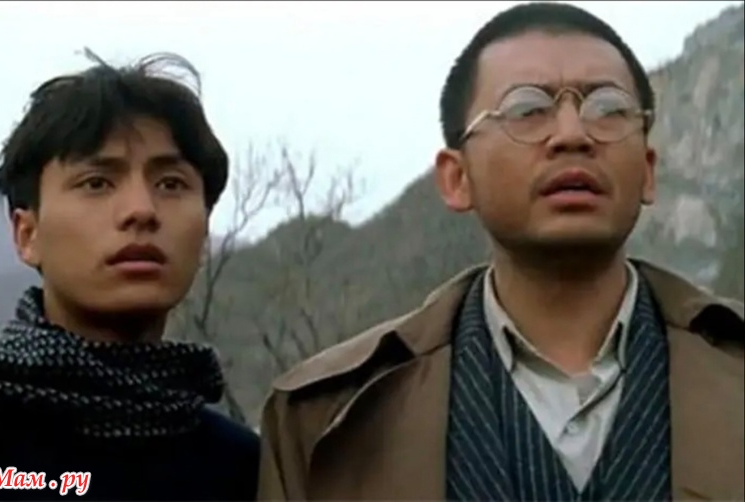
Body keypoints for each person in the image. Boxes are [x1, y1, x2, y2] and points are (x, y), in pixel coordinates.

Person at [257, 3, 744, 501]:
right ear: (457, 178)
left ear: (648, 170)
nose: (572, 135)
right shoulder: (324, 418)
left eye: (607, 109)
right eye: (528, 110)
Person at [0, 52, 259, 501]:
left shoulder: (245, 469)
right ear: (27, 234)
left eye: (171, 184)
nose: (142, 210)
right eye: (97, 183)